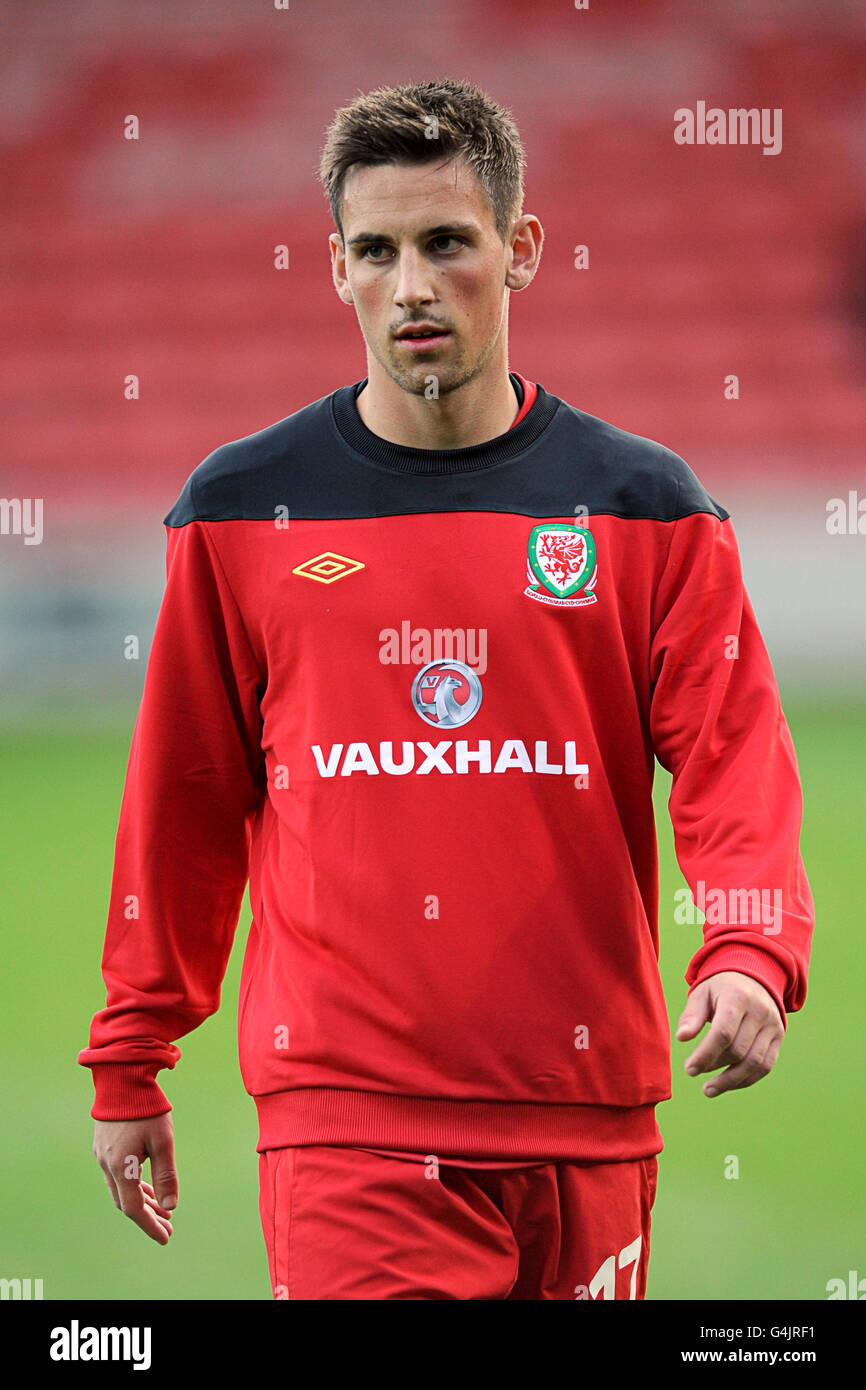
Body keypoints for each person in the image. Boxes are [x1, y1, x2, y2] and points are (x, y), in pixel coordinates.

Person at [79, 78, 814, 1301]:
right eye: (375, 250)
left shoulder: (643, 508)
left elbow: (734, 753)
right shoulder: (242, 510)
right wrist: (130, 1053)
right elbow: (186, 796)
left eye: (445, 243)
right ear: (335, 268)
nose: (409, 284)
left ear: (518, 251)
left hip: (584, 1111)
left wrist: (745, 945)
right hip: (346, 1120)